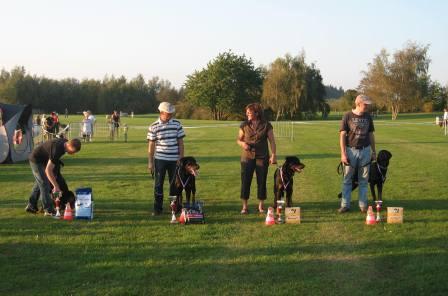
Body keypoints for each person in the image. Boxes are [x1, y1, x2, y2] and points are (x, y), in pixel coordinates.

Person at [236, 103, 277, 214]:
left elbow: (272, 141)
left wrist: (273, 155)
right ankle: (244, 207)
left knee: (262, 181)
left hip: (262, 157)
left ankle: (261, 206)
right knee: (245, 180)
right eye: (247, 112)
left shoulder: (266, 125)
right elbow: (238, 139)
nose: (247, 114)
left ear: (257, 113)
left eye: (249, 112)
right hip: (247, 157)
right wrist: (243, 144)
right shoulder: (244, 125)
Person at [339, 94, 376, 213]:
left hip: (365, 151)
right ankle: (345, 205)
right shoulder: (347, 116)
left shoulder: (368, 117)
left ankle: (363, 206)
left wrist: (373, 151)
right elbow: (342, 136)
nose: (367, 106)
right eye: (366, 104)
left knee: (364, 180)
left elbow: (371, 135)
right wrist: (343, 154)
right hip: (351, 151)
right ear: (359, 103)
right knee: (347, 179)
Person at [25, 138, 81, 216]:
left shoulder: (64, 143)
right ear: (69, 145)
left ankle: (31, 206)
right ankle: (48, 209)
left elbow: (53, 160)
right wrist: (56, 186)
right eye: (73, 151)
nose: (73, 153)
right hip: (36, 160)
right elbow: (48, 171)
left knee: (40, 183)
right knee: (44, 183)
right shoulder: (57, 150)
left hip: (44, 160)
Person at [147, 102, 185, 216]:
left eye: (171, 113)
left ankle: (174, 208)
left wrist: (181, 158)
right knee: (158, 184)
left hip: (175, 160)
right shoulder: (153, 126)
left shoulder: (177, 124)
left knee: (174, 185)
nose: (170, 115)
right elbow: (151, 145)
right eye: (168, 113)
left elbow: (181, 143)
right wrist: (150, 162)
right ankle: (158, 209)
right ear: (161, 113)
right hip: (160, 160)